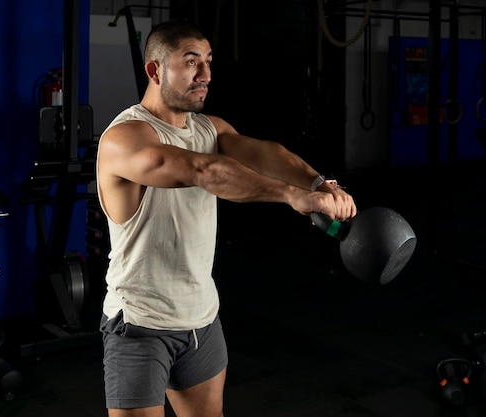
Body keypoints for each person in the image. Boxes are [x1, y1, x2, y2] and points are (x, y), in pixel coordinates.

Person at [95, 19, 357, 417]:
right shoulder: (126, 138)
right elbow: (201, 171)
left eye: (208, 61)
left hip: (201, 319)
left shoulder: (209, 128)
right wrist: (291, 196)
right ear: (155, 70)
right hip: (140, 324)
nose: (206, 75)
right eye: (191, 62)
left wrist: (319, 183)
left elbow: (266, 153)